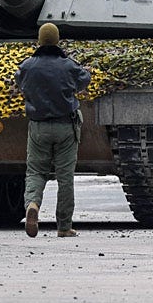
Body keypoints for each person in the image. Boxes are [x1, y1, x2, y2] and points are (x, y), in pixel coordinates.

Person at [16, 22, 91, 239]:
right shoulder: (68, 65)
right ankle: (64, 227)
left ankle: (32, 204)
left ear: (39, 40)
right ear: (57, 40)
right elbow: (84, 79)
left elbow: (19, 81)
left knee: (36, 172)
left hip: (38, 126)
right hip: (65, 126)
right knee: (65, 177)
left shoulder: (28, 65)